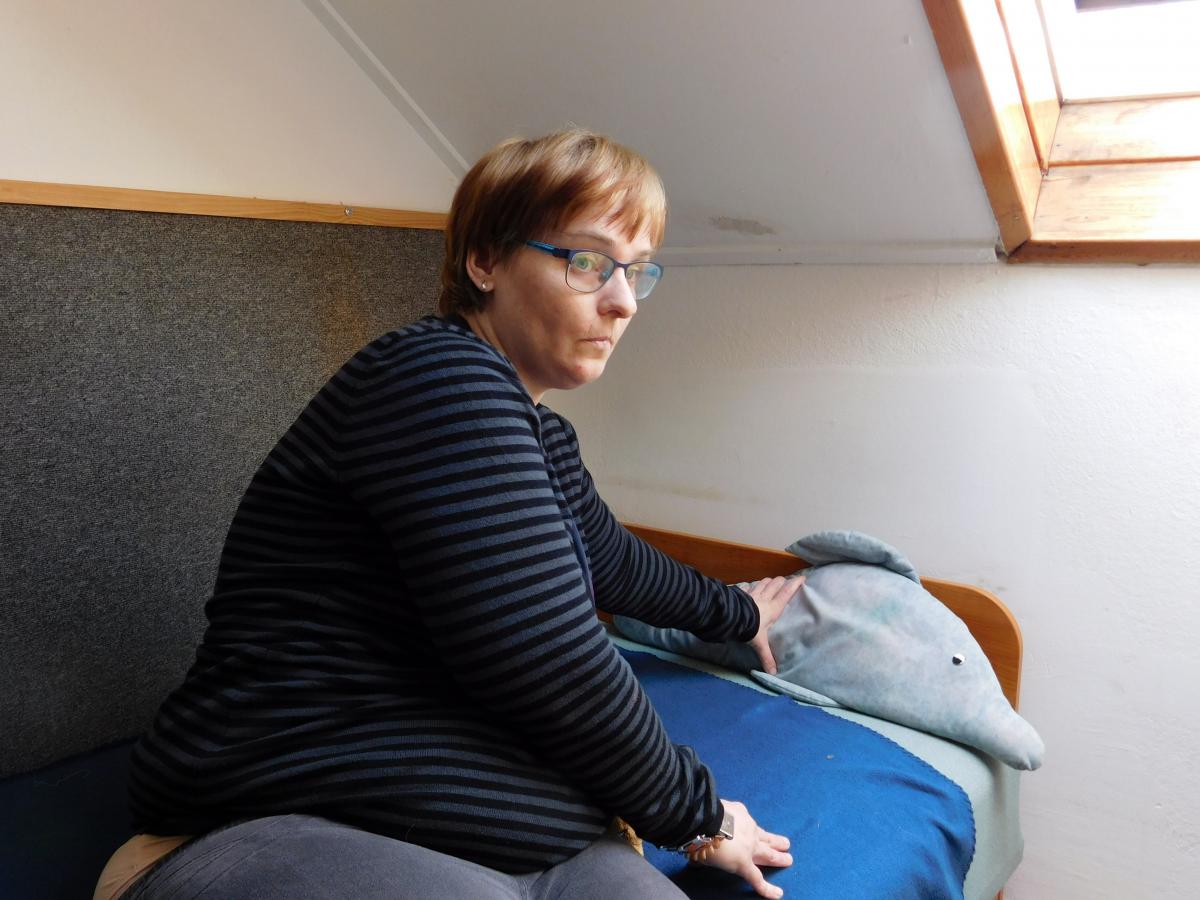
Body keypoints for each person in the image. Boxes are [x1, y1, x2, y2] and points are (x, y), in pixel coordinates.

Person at [95, 128, 801, 900]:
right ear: (485, 261)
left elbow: (616, 562)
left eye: (635, 270)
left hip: (509, 832)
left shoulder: (538, 433)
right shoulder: (436, 378)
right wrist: (699, 817)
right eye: (588, 262)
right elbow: (548, 655)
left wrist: (737, 613)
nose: (623, 301)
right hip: (279, 813)